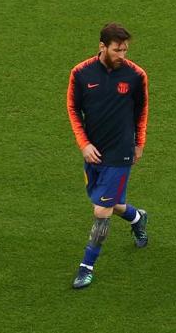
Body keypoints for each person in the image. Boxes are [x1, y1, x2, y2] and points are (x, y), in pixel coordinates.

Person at [66, 22, 149, 289]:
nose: (122, 55)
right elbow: (72, 109)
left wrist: (139, 144)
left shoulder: (136, 76)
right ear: (102, 46)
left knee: (101, 210)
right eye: (117, 50)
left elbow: (142, 111)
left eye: (125, 50)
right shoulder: (80, 74)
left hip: (121, 152)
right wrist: (84, 144)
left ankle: (86, 266)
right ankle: (137, 217)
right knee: (110, 204)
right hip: (94, 152)